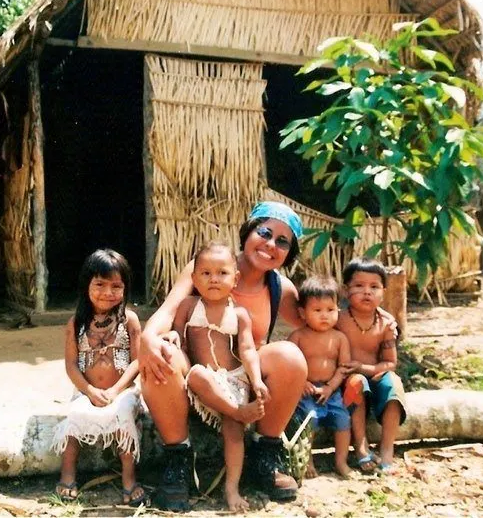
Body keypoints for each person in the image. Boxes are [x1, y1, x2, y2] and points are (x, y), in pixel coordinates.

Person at [138, 201, 309, 511]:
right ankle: (178, 460)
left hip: (239, 384)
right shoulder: (207, 267)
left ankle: (265, 455)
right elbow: (169, 310)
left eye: (282, 242)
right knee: (160, 353)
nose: (271, 244)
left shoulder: (279, 288)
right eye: (265, 232)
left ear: (289, 254)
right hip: (194, 381)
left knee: (290, 356)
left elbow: (317, 323)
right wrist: (148, 338)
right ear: (247, 232)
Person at [166, 241, 269, 511]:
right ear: (194, 279)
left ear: (235, 279)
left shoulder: (239, 314)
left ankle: (232, 488)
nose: (214, 279)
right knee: (198, 373)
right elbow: (178, 334)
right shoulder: (188, 306)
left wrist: (256, 379)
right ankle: (238, 411)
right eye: (206, 273)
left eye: (222, 273)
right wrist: (173, 335)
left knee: (233, 432)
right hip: (202, 383)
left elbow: (247, 350)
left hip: (232, 380)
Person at [50, 249, 146, 506]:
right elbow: (71, 366)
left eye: (116, 286)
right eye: (100, 284)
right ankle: (67, 474)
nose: (107, 292)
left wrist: (115, 391)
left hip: (123, 391)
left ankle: (129, 479)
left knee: (124, 416)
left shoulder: (130, 321)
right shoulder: (76, 324)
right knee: (74, 419)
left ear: (125, 288)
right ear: (86, 285)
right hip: (85, 391)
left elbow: (137, 361)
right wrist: (90, 392)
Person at [337, 258, 407, 474]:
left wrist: (365, 368)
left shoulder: (386, 323)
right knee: (356, 382)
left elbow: (390, 363)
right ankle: (361, 447)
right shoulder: (337, 319)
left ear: (383, 292)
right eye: (359, 286)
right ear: (345, 290)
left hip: (374, 374)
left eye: (374, 287)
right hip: (346, 380)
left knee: (394, 383)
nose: (367, 292)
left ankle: (387, 449)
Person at [289, 275, 352, 478]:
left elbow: (343, 367)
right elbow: (289, 364)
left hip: (330, 391)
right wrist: (302, 382)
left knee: (343, 420)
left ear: (338, 310)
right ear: (303, 313)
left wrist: (331, 387)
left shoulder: (339, 338)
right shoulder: (298, 336)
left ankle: (341, 461)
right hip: (306, 391)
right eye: (317, 310)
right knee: (309, 421)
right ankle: (307, 461)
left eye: (330, 310)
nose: (325, 316)